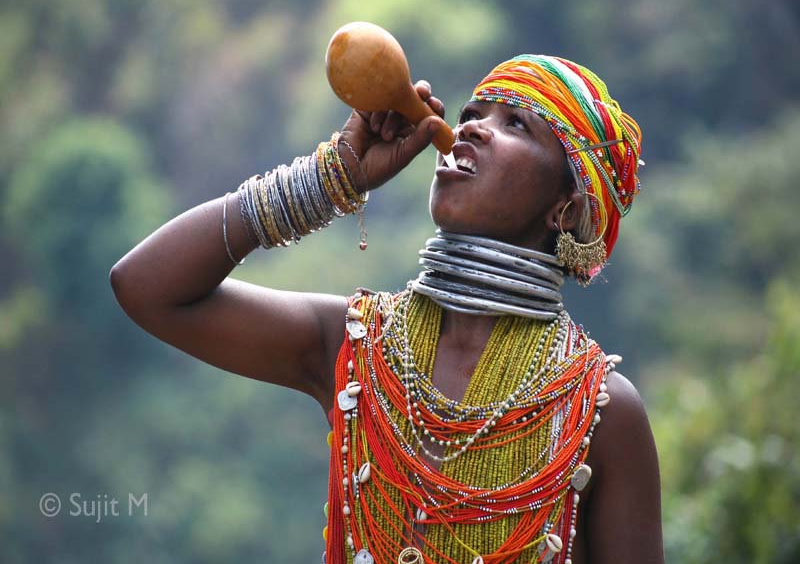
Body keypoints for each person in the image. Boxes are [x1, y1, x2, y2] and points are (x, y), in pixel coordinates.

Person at [110, 54, 663, 564]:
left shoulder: (599, 412)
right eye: (472, 114)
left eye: (515, 124)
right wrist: (332, 179)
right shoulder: (356, 348)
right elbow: (146, 287)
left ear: (566, 210)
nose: (471, 127)